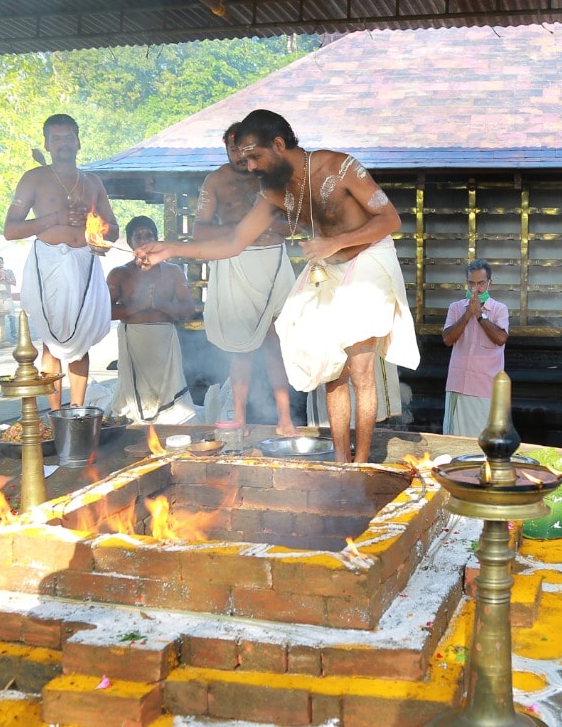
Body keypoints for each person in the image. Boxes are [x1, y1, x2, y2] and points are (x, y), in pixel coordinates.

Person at [137, 109, 419, 464]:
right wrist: (171, 249)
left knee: (360, 368)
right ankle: (341, 462)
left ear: (279, 144)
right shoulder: (273, 193)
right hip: (328, 266)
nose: (250, 166)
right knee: (332, 370)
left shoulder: (339, 167)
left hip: (369, 260)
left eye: (254, 156)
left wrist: (334, 243)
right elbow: (235, 242)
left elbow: (390, 219)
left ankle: (360, 462)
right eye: (244, 159)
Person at [192, 122, 301, 436]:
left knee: (274, 343)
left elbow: (294, 223)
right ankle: (238, 417)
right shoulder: (215, 180)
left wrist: (271, 228)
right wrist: (240, 233)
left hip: (273, 261)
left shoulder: (272, 177)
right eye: (233, 147)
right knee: (240, 349)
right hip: (235, 262)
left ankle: (285, 419)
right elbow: (199, 230)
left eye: (245, 148)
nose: (240, 155)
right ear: (225, 146)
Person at [3, 114, 115, 411]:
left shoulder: (92, 182)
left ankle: (76, 411)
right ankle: (55, 413)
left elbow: (113, 230)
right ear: (47, 144)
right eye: (57, 139)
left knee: (80, 344)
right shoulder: (34, 178)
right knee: (51, 343)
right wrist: (57, 218)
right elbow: (10, 229)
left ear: (78, 142)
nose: (63, 144)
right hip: (49, 263)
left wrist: (96, 227)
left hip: (84, 263)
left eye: (69, 138)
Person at [105, 216, 199, 424]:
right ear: (129, 242)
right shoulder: (119, 274)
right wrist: (137, 307)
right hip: (134, 339)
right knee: (135, 394)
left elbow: (188, 308)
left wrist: (161, 305)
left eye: (149, 235)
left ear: (157, 239)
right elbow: (105, 311)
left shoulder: (173, 271)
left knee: (169, 391)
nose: (144, 239)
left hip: (165, 338)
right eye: (138, 236)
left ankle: (170, 420)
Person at [442, 259, 509, 437]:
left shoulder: (499, 309)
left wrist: (480, 315)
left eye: (480, 283)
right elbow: (448, 339)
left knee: (485, 441)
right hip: (458, 385)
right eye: (471, 283)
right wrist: (468, 314)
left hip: (486, 388)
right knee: (455, 441)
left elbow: (501, 338)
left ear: (489, 283)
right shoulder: (456, 308)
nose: (475, 289)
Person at [0, 256, 19, 343]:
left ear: (3, 262)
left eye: (0, 261)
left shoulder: (9, 271)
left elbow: (14, 283)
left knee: (12, 316)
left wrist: (6, 279)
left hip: (7, 296)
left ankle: (14, 334)